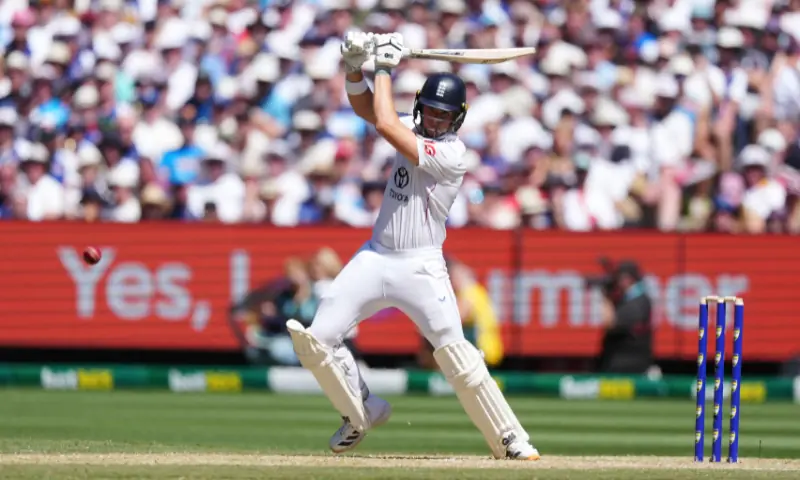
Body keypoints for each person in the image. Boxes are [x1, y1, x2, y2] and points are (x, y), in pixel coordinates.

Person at [285, 31, 539, 461]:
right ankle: (361, 411)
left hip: (421, 267)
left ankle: (511, 438)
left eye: (444, 116)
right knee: (316, 340)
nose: (435, 121)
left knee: (456, 355)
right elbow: (368, 109)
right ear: (420, 107)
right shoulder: (410, 124)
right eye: (431, 112)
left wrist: (384, 67)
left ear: (457, 119)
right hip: (375, 256)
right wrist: (354, 68)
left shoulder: (453, 155)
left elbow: (385, 124)